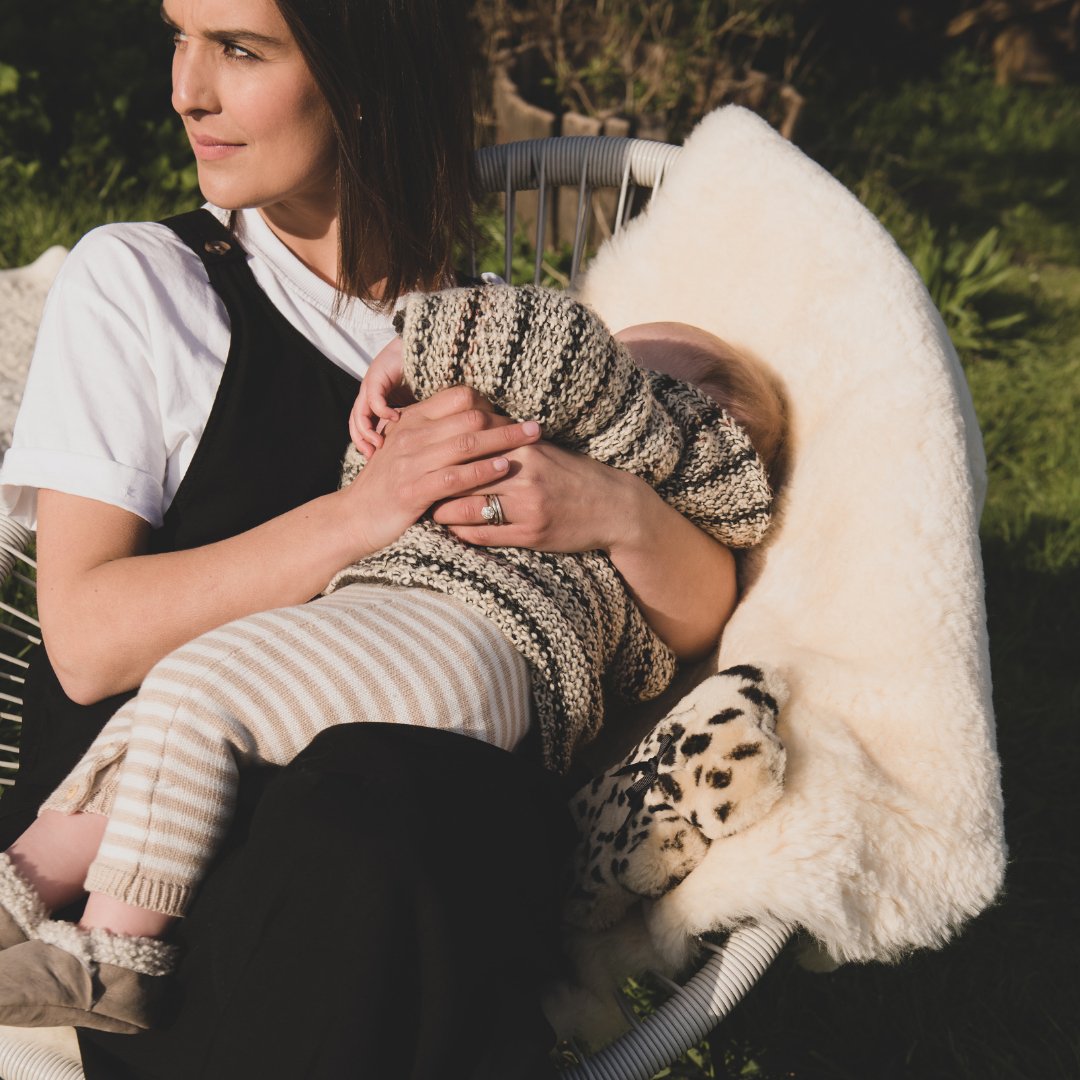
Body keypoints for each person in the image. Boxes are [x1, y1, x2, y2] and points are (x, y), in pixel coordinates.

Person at [0, 1, 747, 1075]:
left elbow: (692, 623)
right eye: (180, 36)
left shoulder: (505, 344)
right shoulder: (152, 286)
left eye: (239, 49)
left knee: (381, 799)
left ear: (362, 75)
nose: (184, 88)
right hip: (157, 853)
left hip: (408, 846)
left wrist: (608, 508)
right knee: (357, 819)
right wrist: (365, 509)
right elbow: (84, 638)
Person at [0, 283, 784, 1034]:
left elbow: (564, 354)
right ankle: (21, 890)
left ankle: (113, 961)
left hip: (479, 639)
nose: (602, 381)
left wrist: (419, 346)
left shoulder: (662, 445)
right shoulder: (553, 448)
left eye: (635, 371)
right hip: (386, 621)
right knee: (159, 716)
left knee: (195, 692)